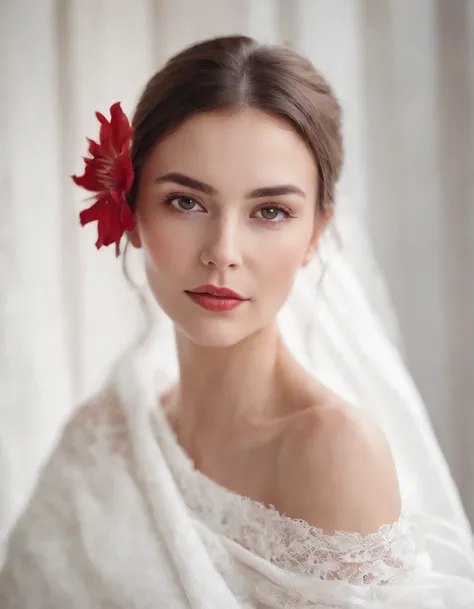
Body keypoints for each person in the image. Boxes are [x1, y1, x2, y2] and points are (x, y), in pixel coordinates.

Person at [1, 34, 474, 608]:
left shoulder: (332, 452)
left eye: (270, 211)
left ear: (315, 235)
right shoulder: (105, 435)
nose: (223, 250)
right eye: (187, 201)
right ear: (128, 209)